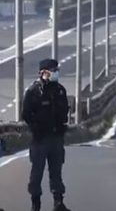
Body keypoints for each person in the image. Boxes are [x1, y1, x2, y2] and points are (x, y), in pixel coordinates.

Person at [22, 59, 70, 211]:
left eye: (56, 70)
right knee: (37, 173)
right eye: (52, 70)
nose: (55, 73)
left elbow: (65, 111)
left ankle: (58, 202)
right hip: (40, 139)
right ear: (43, 72)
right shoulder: (33, 91)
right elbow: (26, 114)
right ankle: (35, 204)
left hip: (56, 138)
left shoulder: (60, 90)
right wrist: (36, 127)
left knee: (56, 172)